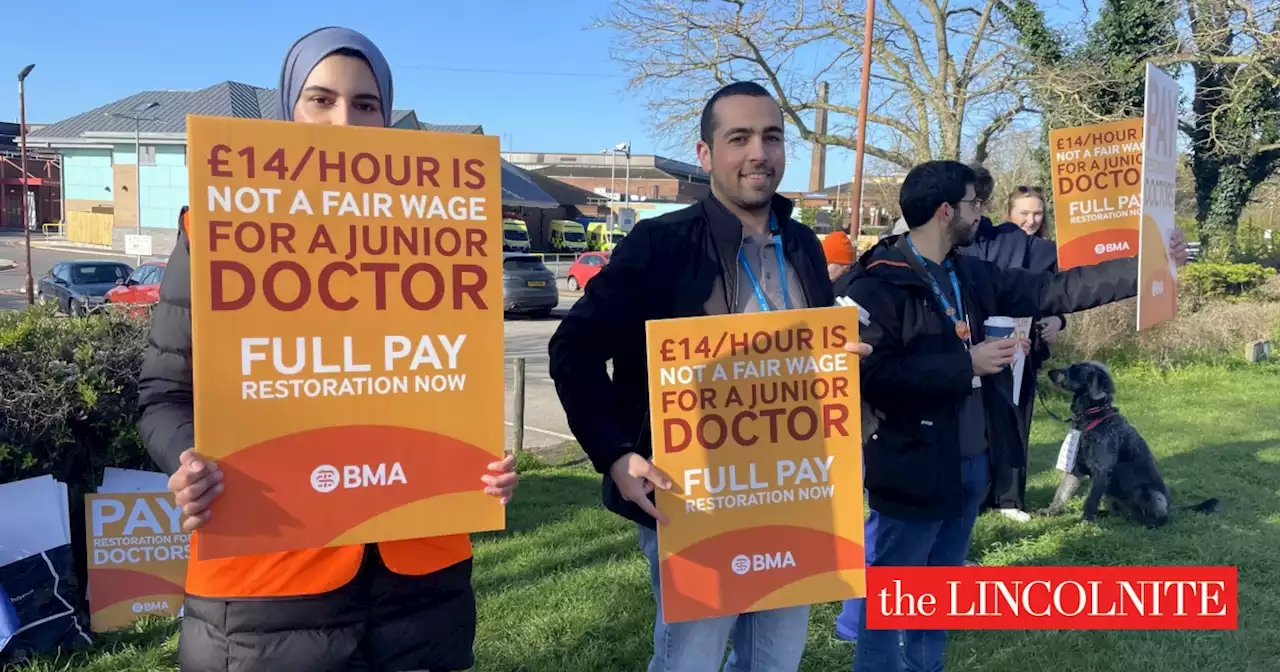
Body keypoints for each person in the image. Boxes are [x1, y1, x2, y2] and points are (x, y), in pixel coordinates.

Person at [137, 27, 519, 672]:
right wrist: (187, 459)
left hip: (420, 575)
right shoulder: (215, 226)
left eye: (365, 105)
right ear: (290, 110)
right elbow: (164, 395)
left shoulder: (442, 225)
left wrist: (482, 466)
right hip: (267, 572)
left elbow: (445, 382)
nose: (345, 121)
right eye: (321, 100)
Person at [548, 80, 872, 672]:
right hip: (691, 502)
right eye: (739, 138)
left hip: (794, 496)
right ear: (706, 155)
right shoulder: (661, 244)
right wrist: (616, 455)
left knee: (774, 663)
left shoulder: (802, 243)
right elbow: (574, 348)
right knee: (688, 662)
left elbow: (813, 353)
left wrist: (838, 361)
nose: (759, 153)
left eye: (771, 137)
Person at [835, 160, 1187, 672]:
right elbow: (871, 375)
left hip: (970, 461)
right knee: (888, 604)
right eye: (974, 203)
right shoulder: (877, 283)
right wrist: (964, 364)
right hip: (911, 464)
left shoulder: (969, 271)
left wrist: (1145, 265)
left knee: (935, 600)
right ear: (944, 210)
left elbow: (1056, 290)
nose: (982, 213)